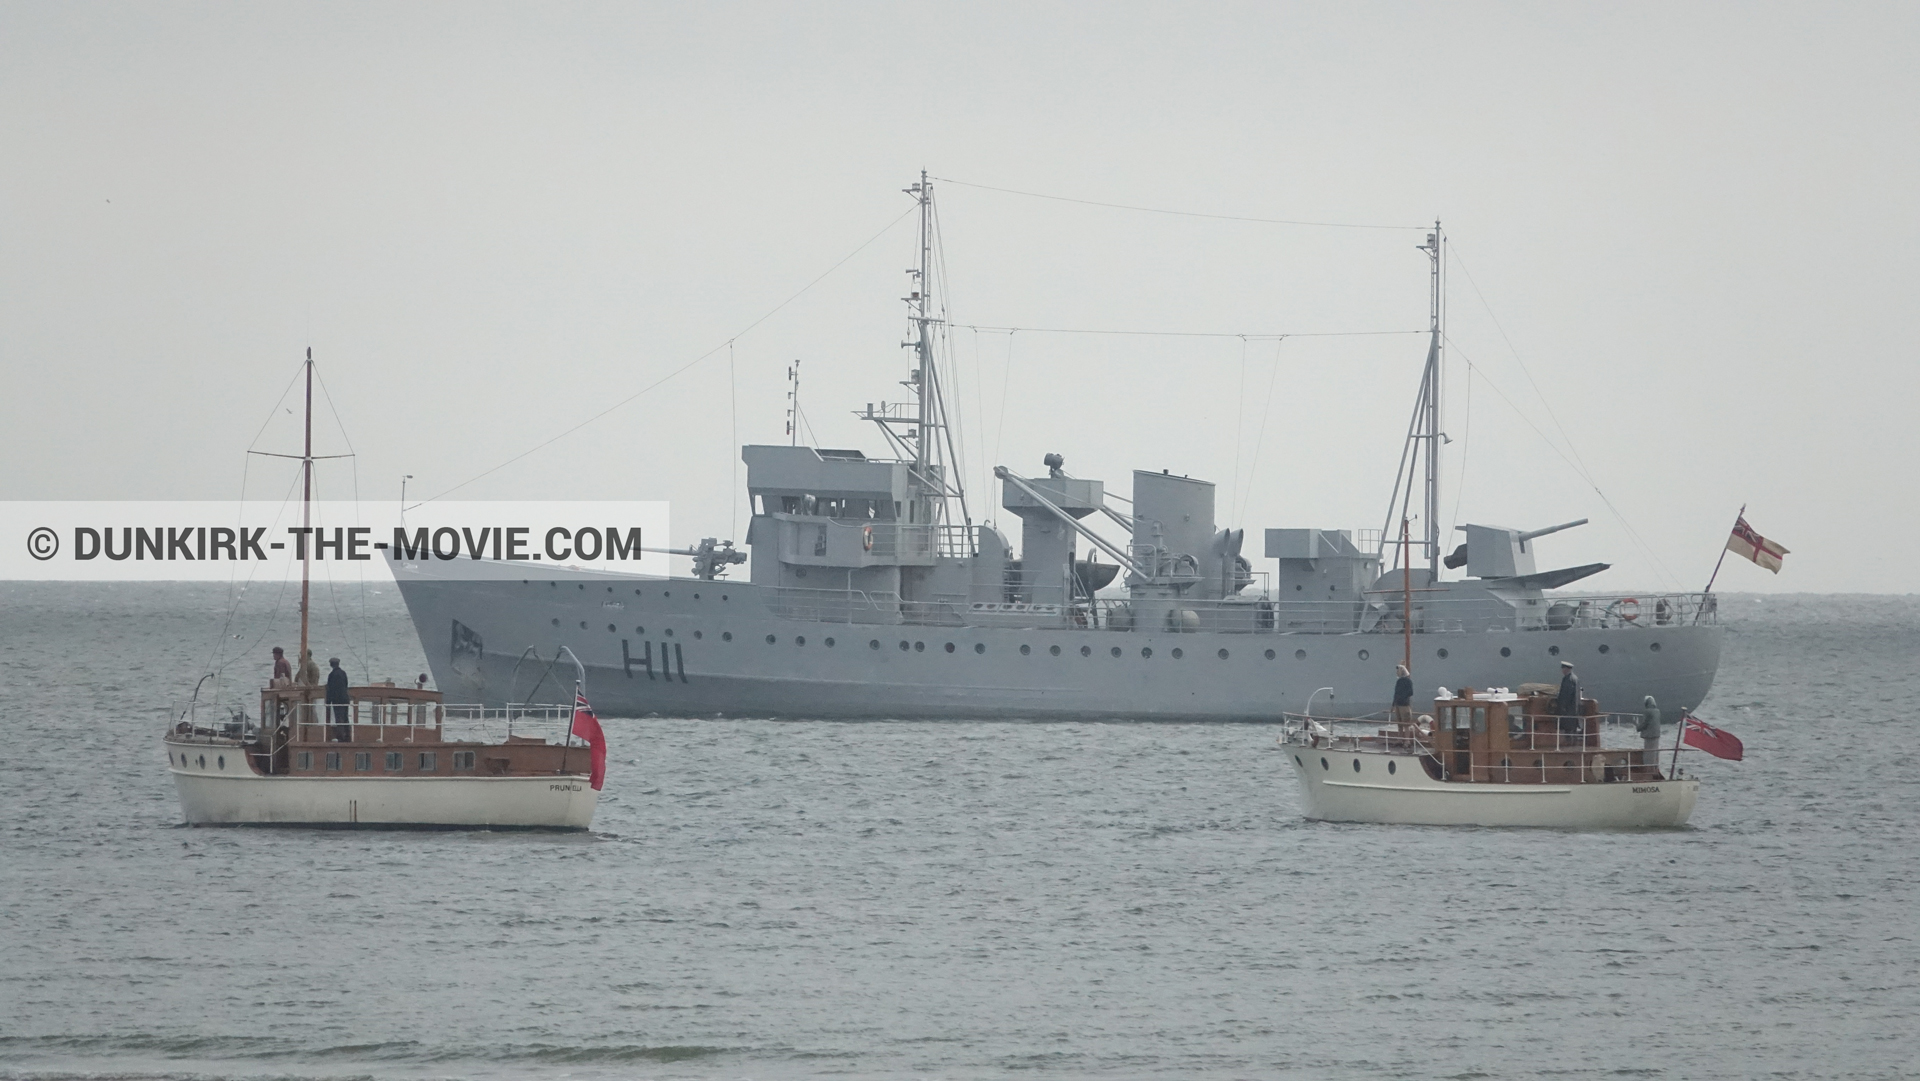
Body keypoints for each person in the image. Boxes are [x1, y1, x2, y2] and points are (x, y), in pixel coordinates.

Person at [1554, 661, 1582, 742]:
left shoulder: (1568, 679)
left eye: (1563, 668)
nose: (1562, 670)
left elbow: (1566, 695)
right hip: (1573, 710)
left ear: (1566, 669)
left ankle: (1570, 745)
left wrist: (1562, 707)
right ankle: (1573, 744)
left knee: (1568, 730)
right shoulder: (1575, 678)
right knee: (1573, 729)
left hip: (1568, 710)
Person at [325, 657, 351, 742]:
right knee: (345, 717)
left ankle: (341, 737)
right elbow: (346, 685)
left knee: (339, 718)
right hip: (345, 699)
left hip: (337, 699)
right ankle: (348, 735)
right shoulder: (343, 673)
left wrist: (328, 702)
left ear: (331, 665)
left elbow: (330, 689)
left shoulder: (332, 675)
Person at [1637, 695, 1663, 772]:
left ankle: (1648, 770)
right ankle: (1655, 768)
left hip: (1649, 735)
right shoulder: (1657, 711)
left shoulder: (1647, 711)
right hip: (1656, 735)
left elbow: (1645, 723)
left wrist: (1638, 727)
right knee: (1655, 753)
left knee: (1648, 753)